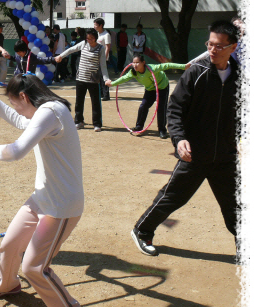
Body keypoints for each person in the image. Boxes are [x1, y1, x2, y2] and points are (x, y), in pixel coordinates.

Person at [130, 20, 240, 258]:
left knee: (235, 206)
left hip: (225, 155)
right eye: (210, 44)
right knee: (173, 197)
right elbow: (175, 109)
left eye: (219, 46)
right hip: (195, 153)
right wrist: (179, 139)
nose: (212, 50)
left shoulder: (241, 77)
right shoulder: (196, 73)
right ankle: (142, 230)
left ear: (233, 47)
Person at [0, 74, 83, 307]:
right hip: (42, 197)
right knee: (9, 246)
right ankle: (8, 285)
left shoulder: (50, 113)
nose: (17, 109)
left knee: (34, 267)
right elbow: (20, 119)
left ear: (24, 96)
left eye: (15, 102)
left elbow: (16, 151)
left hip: (60, 207)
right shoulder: (45, 111)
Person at [105, 54, 188, 139]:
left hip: (162, 87)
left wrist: (183, 67)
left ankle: (162, 130)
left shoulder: (152, 69)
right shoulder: (133, 72)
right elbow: (124, 78)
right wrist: (112, 83)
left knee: (161, 108)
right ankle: (139, 127)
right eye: (133, 63)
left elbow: (168, 65)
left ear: (143, 63)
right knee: (143, 106)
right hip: (150, 89)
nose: (135, 65)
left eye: (137, 63)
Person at [55, 28, 109, 132]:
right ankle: (79, 121)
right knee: (79, 101)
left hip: (93, 79)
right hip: (81, 78)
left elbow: (103, 66)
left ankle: (97, 124)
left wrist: (106, 79)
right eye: (88, 38)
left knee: (96, 102)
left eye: (92, 38)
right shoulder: (83, 44)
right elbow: (71, 50)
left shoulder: (101, 48)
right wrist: (61, 56)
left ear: (96, 38)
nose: (89, 40)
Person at [93, 18, 112, 101]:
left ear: (101, 25)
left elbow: (108, 47)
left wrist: (104, 59)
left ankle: (106, 95)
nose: (94, 26)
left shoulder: (106, 35)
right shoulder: (97, 34)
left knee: (104, 77)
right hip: (96, 59)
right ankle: (101, 93)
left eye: (96, 25)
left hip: (103, 60)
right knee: (98, 77)